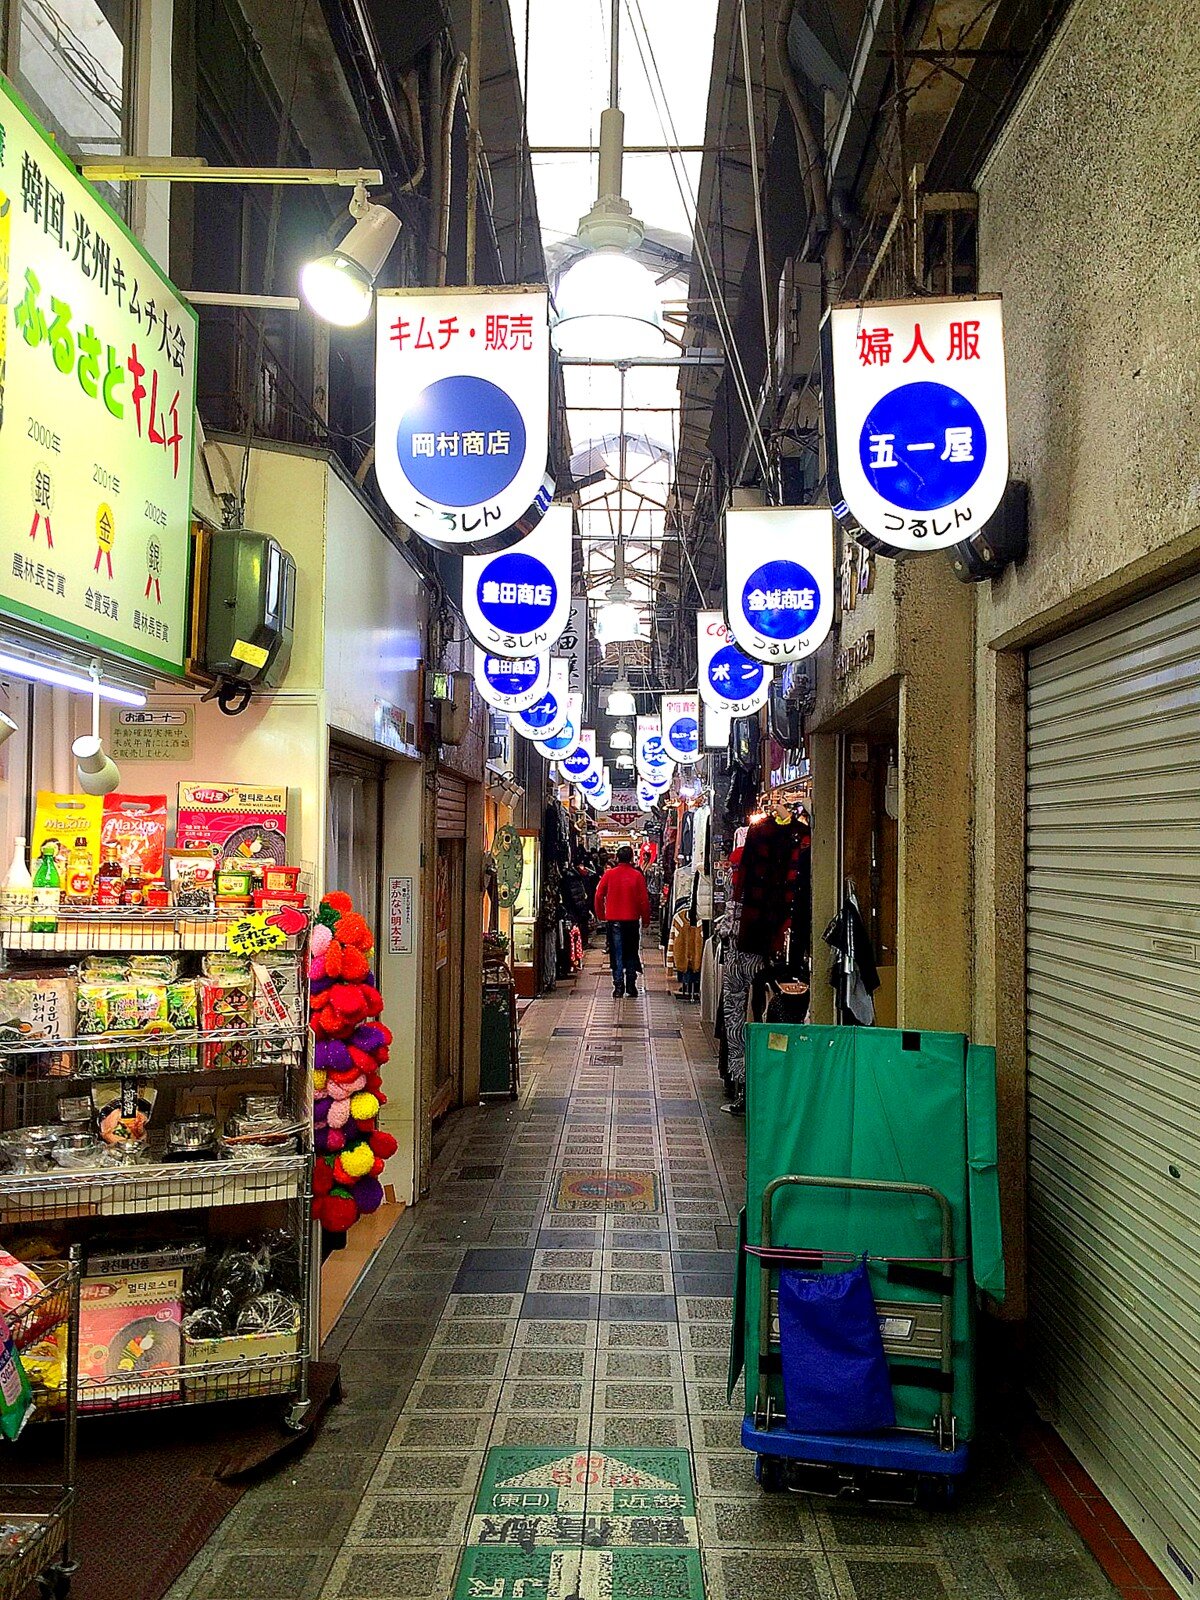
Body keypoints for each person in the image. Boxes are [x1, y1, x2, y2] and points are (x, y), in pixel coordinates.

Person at [595, 845, 651, 998]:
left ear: (617, 858)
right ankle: (631, 985)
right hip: (632, 920)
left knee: (617, 953)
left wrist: (601, 914)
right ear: (632, 858)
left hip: (613, 920)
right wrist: (646, 918)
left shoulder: (609, 875)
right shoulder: (637, 876)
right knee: (631, 951)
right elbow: (644, 900)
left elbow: (599, 895)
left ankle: (618, 986)